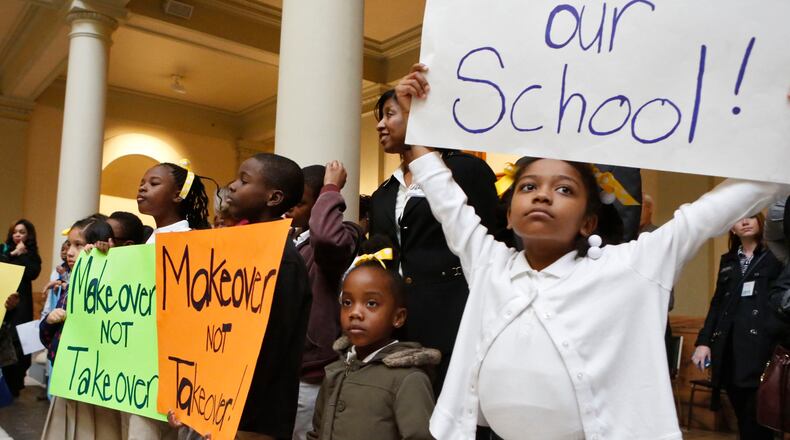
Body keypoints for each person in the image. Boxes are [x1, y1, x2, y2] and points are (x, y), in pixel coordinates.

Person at [392, 63, 789, 440]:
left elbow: (706, 215)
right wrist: (418, 129)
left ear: (588, 222)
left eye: (564, 189)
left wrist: (782, 135)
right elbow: (449, 205)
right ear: (509, 215)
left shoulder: (630, 266)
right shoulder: (489, 263)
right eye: (528, 187)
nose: (543, 195)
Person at [170, 153, 312, 440]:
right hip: (212, 408)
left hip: (251, 420)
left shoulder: (282, 262)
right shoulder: (235, 251)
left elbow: (269, 350)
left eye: (244, 180)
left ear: (273, 198)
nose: (231, 186)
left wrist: (225, 412)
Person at [370, 88, 499, 392]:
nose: (380, 125)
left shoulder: (465, 171)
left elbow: (487, 239)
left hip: (455, 312)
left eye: (390, 114)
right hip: (401, 321)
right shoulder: (383, 193)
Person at [307, 237, 438, 440]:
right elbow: (317, 433)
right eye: (347, 302)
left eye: (371, 304)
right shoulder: (336, 370)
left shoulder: (408, 379)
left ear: (398, 317)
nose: (355, 313)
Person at [285, 162, 363, 440]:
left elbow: (327, 238)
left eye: (301, 202)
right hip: (283, 370)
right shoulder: (289, 240)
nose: (290, 208)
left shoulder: (344, 237)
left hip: (311, 373)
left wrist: (331, 188)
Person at [691, 214, 786, 440]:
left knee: (759, 419)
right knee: (743, 418)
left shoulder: (776, 257)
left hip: (763, 349)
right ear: (731, 228)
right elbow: (717, 304)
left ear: (761, 222)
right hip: (731, 350)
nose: (745, 222)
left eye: (751, 217)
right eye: (738, 219)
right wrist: (704, 342)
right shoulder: (729, 260)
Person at [39, 216, 124, 440]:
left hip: (97, 387)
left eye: (78, 245)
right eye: (69, 245)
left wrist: (109, 258)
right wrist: (48, 322)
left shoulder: (111, 285)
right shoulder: (69, 288)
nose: (70, 252)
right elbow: (46, 339)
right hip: (67, 380)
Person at [0, 219, 42, 397]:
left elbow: (33, 273)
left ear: (29, 234)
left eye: (22, 232)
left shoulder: (31, 255)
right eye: (15, 231)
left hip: (22, 305)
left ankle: (15, 386)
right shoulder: (4, 250)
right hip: (4, 302)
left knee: (19, 345)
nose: (18, 234)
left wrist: (23, 255)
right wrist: (14, 253)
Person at [137, 161, 211, 243]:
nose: (142, 188)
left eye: (154, 183)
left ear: (178, 195)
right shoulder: (151, 238)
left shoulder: (191, 240)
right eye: (142, 184)